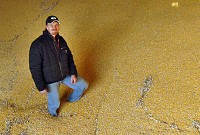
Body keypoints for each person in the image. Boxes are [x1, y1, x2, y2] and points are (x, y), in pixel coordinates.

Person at [29, 15, 88, 116]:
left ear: (59, 27)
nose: (54, 27)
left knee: (83, 85)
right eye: (51, 25)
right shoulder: (38, 44)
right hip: (50, 79)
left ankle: (70, 100)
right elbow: (35, 68)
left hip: (65, 75)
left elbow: (69, 57)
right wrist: (41, 87)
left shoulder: (61, 40)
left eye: (56, 25)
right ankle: (53, 114)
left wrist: (73, 73)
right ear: (46, 27)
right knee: (55, 103)